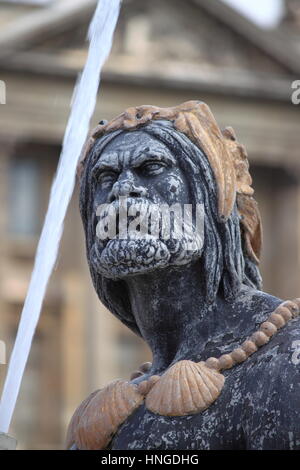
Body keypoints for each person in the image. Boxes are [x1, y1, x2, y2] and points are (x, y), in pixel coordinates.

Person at [67, 101, 300, 450]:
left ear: (212, 197)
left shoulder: (287, 357)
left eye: (153, 167)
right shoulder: (113, 406)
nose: (123, 188)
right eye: (105, 177)